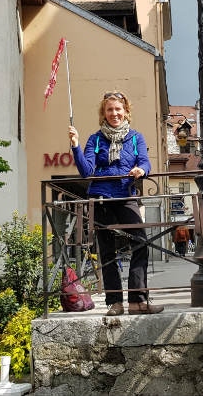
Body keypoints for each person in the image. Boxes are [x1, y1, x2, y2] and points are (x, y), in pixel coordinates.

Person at [69, 91, 163, 316]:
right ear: (104, 113)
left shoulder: (135, 138)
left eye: (118, 109)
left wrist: (141, 170)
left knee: (140, 243)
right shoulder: (95, 139)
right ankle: (115, 303)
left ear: (126, 111)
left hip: (125, 195)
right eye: (109, 110)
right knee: (107, 251)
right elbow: (86, 171)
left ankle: (137, 301)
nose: (114, 113)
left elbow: (145, 162)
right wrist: (75, 146)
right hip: (101, 197)